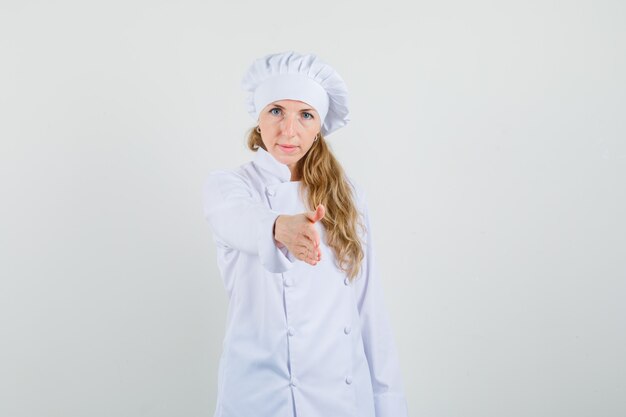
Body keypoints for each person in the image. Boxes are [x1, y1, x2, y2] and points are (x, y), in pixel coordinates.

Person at [202, 51, 408, 417]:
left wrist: (390, 405)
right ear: (259, 119)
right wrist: (280, 227)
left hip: (339, 398)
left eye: (305, 115)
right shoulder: (229, 187)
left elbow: (369, 310)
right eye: (276, 111)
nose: (288, 130)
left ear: (319, 128)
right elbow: (238, 219)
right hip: (258, 396)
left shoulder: (348, 195)